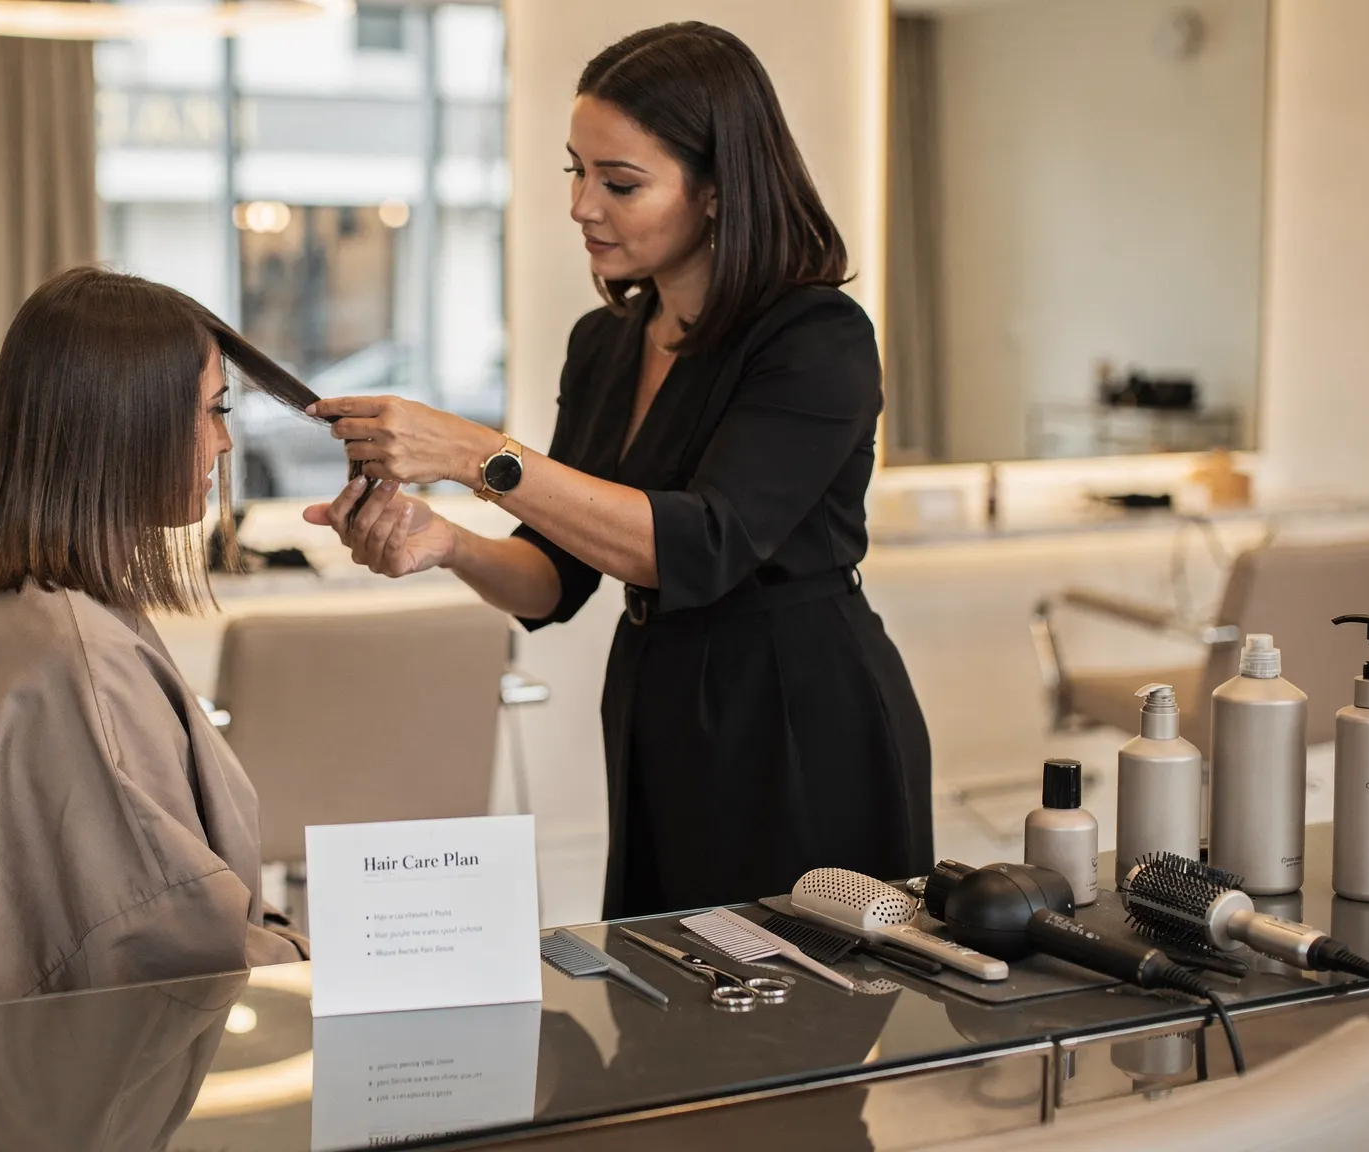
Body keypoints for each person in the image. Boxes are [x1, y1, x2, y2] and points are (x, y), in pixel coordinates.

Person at [305, 23, 933, 917]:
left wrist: (475, 455)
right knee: (669, 1014)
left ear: (716, 191)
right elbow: (554, 578)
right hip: (656, 705)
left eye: (620, 183)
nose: (581, 206)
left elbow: (698, 545)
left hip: (798, 715)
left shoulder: (815, 339)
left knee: (803, 1020)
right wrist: (444, 541)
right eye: (577, 171)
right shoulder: (605, 344)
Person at [0, 267, 311, 1008]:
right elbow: (169, 947)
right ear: (126, 424)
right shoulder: (78, 662)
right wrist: (330, 956)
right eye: (211, 411)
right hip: (85, 1072)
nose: (225, 442)